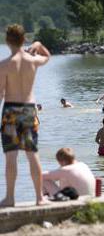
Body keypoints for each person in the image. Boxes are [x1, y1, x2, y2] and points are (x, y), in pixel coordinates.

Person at [0, 24, 50, 207]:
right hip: (29, 110)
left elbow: (0, 95)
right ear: (24, 40)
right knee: (32, 153)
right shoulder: (33, 60)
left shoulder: (4, 65)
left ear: (7, 41)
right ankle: (39, 198)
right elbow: (47, 56)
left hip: (11, 111)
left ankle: (10, 198)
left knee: (11, 156)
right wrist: (38, 44)